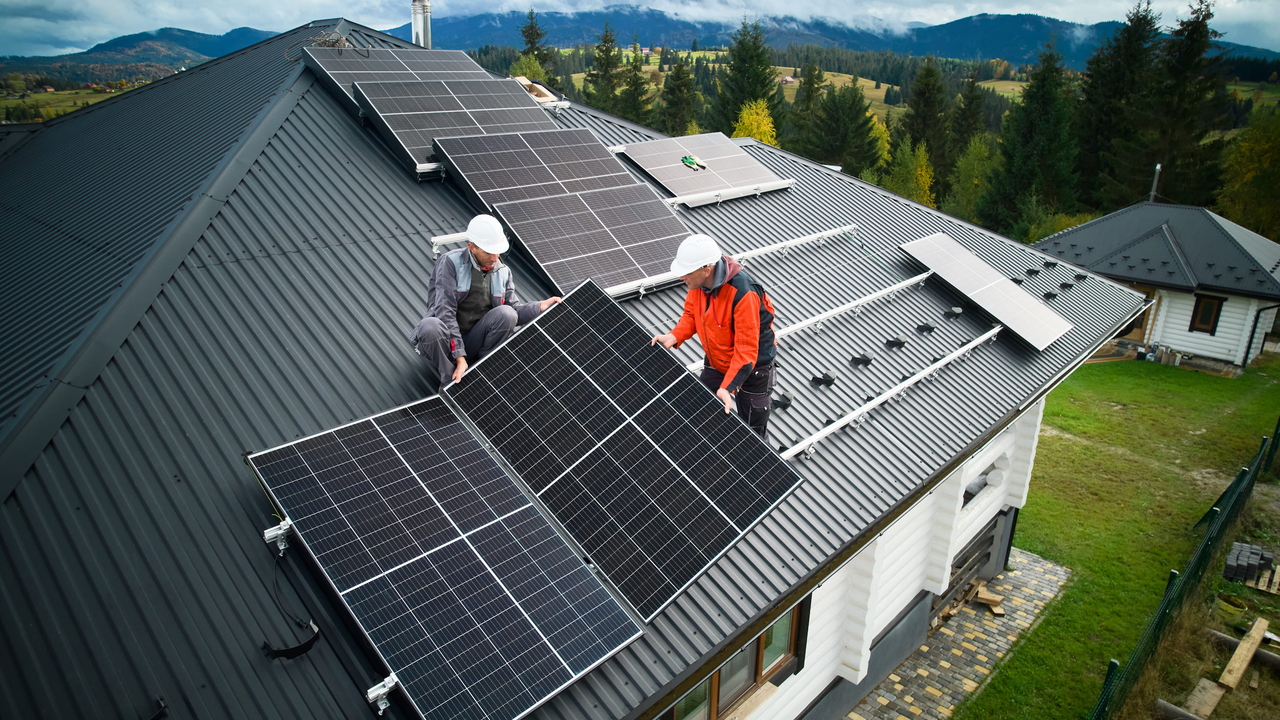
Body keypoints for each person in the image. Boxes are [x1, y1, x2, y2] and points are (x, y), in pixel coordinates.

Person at [651, 234, 778, 438]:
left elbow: (746, 352)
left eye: (686, 273)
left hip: (754, 369)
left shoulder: (743, 293)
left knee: (753, 434)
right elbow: (692, 314)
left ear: (706, 270)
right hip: (718, 361)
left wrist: (727, 388)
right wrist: (674, 336)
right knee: (701, 408)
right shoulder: (698, 284)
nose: (681, 278)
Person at [411, 214, 559, 387]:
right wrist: (459, 356)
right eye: (489, 252)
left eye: (497, 251)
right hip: (445, 343)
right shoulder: (450, 263)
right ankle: (449, 381)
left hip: (474, 340)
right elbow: (445, 311)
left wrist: (540, 307)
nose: (495, 257)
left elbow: (514, 311)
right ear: (472, 247)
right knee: (429, 326)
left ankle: (483, 369)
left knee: (507, 313)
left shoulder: (503, 272)